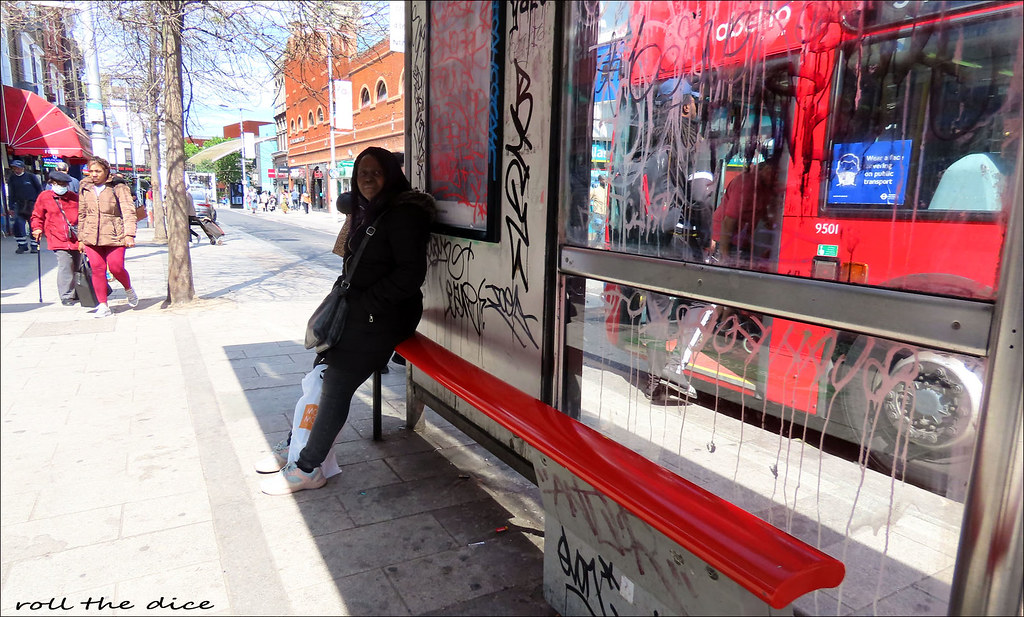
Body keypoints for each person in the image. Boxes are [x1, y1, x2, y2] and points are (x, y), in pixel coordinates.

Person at [257, 147, 436, 495]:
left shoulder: (403, 214)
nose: (367, 179)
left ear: (391, 175)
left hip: (383, 316)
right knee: (320, 376)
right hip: (357, 312)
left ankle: (308, 467)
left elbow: (410, 275)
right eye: (361, 173)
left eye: (376, 172)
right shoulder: (371, 210)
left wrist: (368, 305)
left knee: (335, 383)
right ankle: (298, 447)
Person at [77, 156, 139, 318]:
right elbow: (82, 213)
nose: (94, 174)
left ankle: (128, 289)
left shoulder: (118, 186)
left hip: (114, 234)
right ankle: (103, 305)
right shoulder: (85, 186)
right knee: (97, 269)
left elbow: (128, 211)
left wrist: (129, 234)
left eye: (98, 171)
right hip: (91, 235)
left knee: (116, 267)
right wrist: (81, 238)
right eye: (91, 171)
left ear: (106, 171)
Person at [30, 170, 81, 306]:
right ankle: (66, 295)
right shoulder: (45, 197)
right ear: (52, 183)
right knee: (65, 264)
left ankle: (79, 291)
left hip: (76, 237)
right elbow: (37, 215)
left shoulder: (74, 197)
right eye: (59, 184)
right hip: (57, 236)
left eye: (64, 184)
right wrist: (37, 228)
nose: (62, 187)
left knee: (78, 265)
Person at [6, 160, 42, 253]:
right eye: (14, 168)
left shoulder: (31, 177)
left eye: (18, 168)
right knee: (18, 225)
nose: (16, 170)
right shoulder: (12, 178)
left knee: (33, 225)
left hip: (32, 204)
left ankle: (34, 246)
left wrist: (39, 203)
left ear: (23, 168)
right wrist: (11, 206)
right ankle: (22, 245)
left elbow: (39, 189)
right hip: (19, 204)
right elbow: (11, 193)